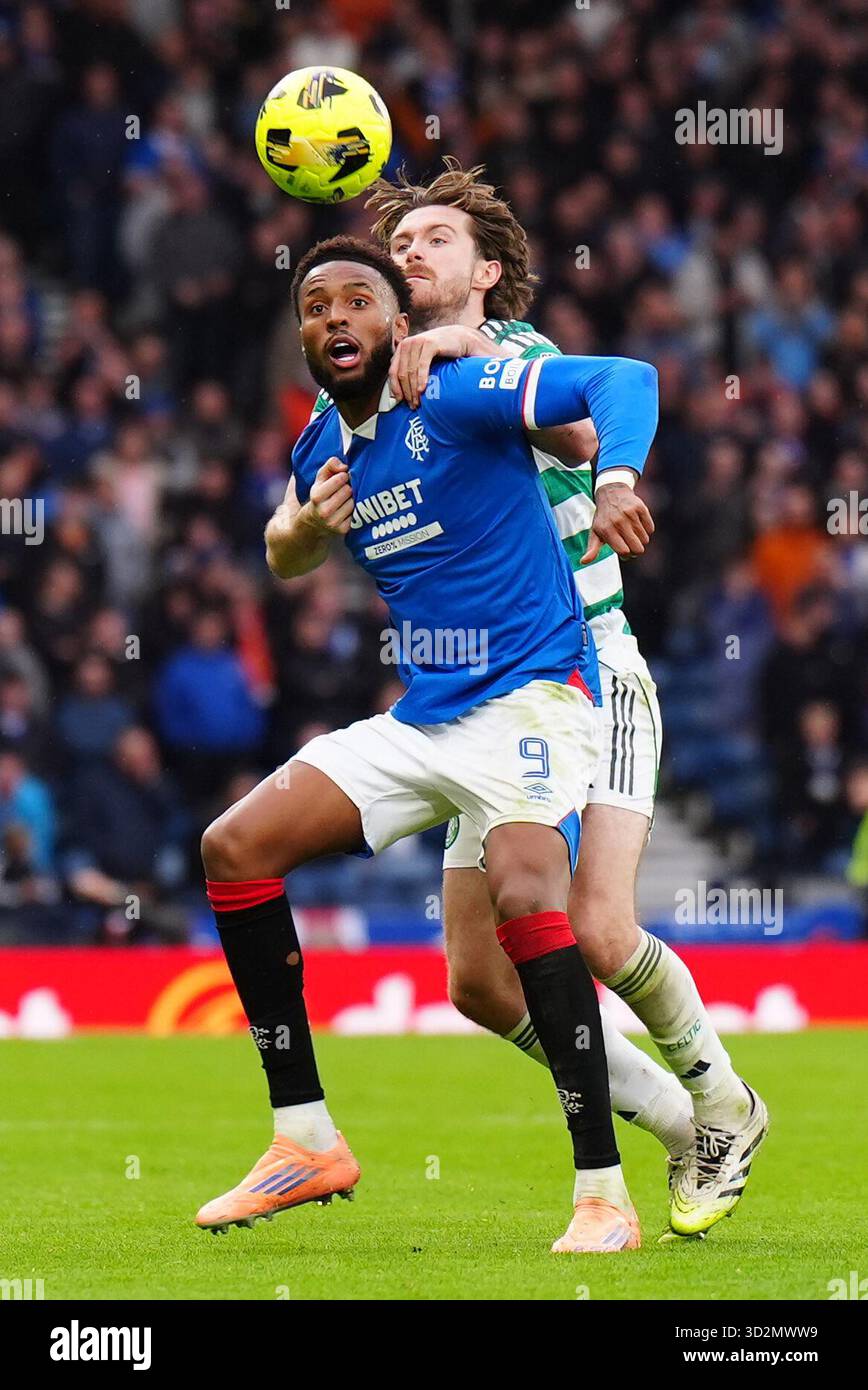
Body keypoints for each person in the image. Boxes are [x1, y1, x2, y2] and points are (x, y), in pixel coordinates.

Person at [195, 235, 659, 1253]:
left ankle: (601, 1196)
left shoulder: (456, 392)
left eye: (359, 301)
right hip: (428, 714)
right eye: (316, 308)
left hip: (538, 694)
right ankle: (304, 1138)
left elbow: (624, 377)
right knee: (232, 850)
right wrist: (304, 535)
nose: (334, 320)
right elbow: (280, 551)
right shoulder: (321, 447)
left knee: (528, 897)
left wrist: (618, 478)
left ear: (397, 326)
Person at [355, 160, 768, 1240]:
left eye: (436, 238)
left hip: (592, 661)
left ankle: (723, 1101)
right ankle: (677, 1119)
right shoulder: (394, 393)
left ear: (487, 268)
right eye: (400, 243)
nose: (412, 253)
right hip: (483, 692)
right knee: (477, 981)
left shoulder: (521, 355)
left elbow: (588, 431)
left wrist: (478, 357)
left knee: (593, 923)